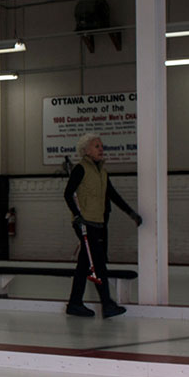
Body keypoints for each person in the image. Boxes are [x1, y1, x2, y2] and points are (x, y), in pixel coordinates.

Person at [63, 133, 142, 319]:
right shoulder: (80, 169)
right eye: (96, 146)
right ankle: (107, 304)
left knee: (85, 265)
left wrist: (131, 213)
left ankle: (75, 303)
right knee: (98, 263)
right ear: (86, 150)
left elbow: (113, 195)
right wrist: (77, 215)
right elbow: (68, 194)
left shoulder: (102, 172)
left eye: (101, 145)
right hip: (85, 223)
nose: (101, 148)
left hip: (98, 223)